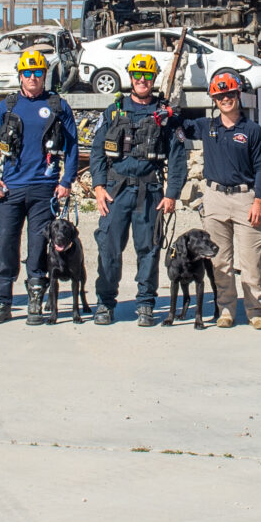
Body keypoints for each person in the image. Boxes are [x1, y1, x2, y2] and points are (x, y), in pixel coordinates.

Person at [0, 48, 79, 324]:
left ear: (45, 75)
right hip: (9, 190)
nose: (33, 77)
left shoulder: (59, 106)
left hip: (44, 190)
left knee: (38, 248)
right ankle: (2, 303)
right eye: (28, 72)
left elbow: (72, 147)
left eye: (38, 72)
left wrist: (66, 181)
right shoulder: (7, 106)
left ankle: (36, 299)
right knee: (5, 247)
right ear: (20, 76)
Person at [91, 53, 189, 327]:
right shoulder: (113, 111)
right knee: (109, 249)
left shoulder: (165, 115)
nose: (142, 80)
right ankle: (105, 303)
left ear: (154, 78)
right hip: (115, 190)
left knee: (149, 249)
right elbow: (97, 151)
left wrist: (172, 194)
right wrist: (98, 186)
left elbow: (177, 157)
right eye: (137, 74)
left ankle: (145, 304)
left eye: (147, 75)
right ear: (130, 76)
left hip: (151, 191)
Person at [184, 70, 261, 328]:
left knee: (251, 260)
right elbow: (180, 125)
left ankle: (256, 311)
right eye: (220, 95)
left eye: (230, 94)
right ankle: (226, 310)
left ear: (238, 95)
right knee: (219, 259)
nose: (226, 99)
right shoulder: (207, 127)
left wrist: (258, 200)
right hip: (214, 198)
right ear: (214, 99)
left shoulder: (253, 130)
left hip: (246, 198)